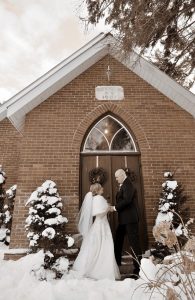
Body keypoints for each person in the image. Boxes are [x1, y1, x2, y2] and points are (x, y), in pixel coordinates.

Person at [73, 183, 120, 280]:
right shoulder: (99, 198)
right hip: (102, 225)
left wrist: (109, 208)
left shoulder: (94, 199)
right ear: (98, 190)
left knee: (96, 246)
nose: (103, 188)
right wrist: (107, 208)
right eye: (101, 187)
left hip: (98, 225)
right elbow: (100, 215)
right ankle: (100, 270)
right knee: (104, 246)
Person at [111, 169, 141, 278]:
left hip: (130, 220)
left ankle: (138, 269)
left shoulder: (128, 184)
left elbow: (127, 200)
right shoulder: (124, 184)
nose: (116, 179)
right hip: (124, 220)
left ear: (123, 175)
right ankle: (116, 264)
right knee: (118, 239)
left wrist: (114, 208)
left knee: (134, 243)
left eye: (117, 177)